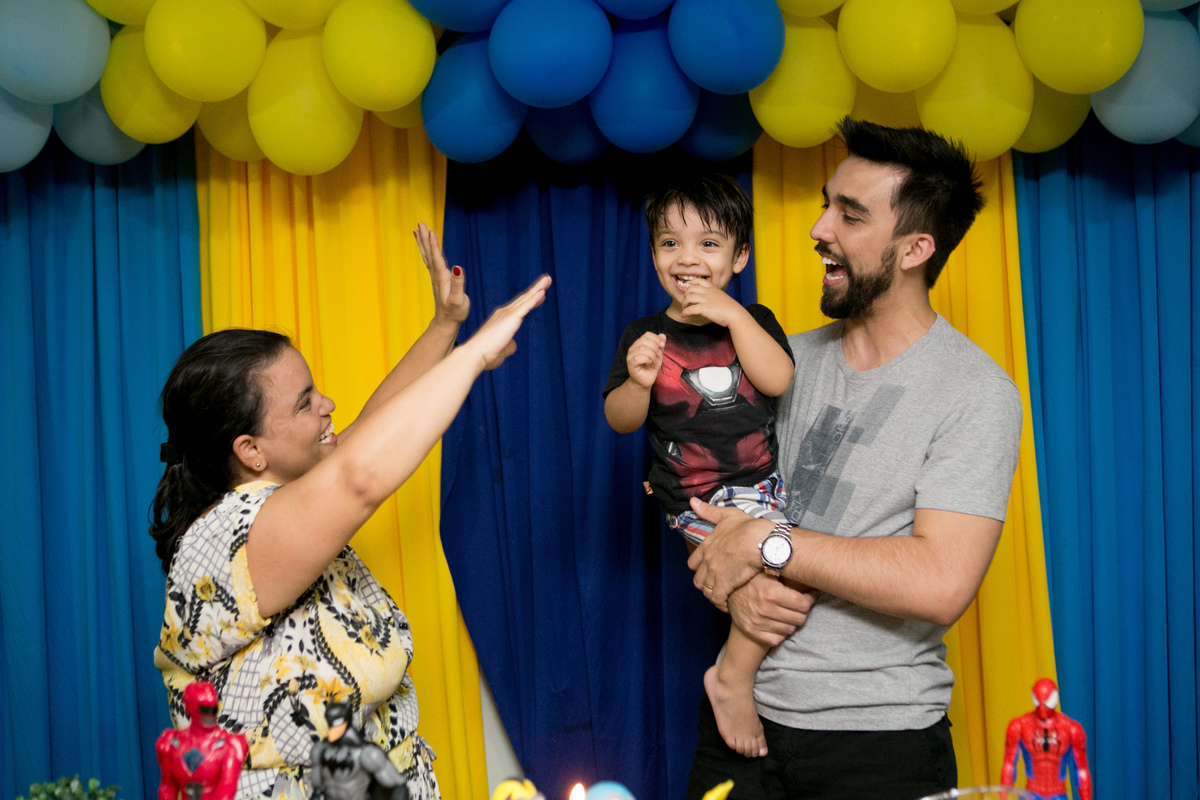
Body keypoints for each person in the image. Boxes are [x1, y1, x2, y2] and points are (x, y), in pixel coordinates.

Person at [684, 118, 1024, 799]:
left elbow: (939, 582)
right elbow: (704, 492)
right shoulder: (781, 360)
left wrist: (764, 546)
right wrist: (727, 569)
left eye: (850, 214)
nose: (818, 229)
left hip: (881, 745)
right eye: (824, 203)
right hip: (739, 726)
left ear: (914, 249)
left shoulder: (976, 391)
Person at [151, 223, 551, 800]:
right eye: (305, 401)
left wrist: (446, 329)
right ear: (250, 450)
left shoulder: (289, 499)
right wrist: (474, 355)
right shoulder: (226, 542)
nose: (327, 405)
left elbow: (367, 433)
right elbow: (362, 473)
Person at [603, 173, 795, 759]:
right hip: (694, 495)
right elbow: (620, 419)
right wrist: (638, 381)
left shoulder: (754, 320)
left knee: (790, 576)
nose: (687, 259)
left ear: (740, 256)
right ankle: (731, 680)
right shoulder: (646, 334)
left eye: (708, 244)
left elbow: (779, 379)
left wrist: (735, 317)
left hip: (763, 488)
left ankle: (747, 680)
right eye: (670, 244)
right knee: (774, 577)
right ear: (654, 254)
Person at [1001, 678, 1093, 800]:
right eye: (1039, 701)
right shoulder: (1020, 726)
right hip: (1031, 793)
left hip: (1058, 794)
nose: (1043, 707)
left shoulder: (1071, 729)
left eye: (1047, 701)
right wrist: (1003, 797)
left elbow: (1082, 771)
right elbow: (1009, 765)